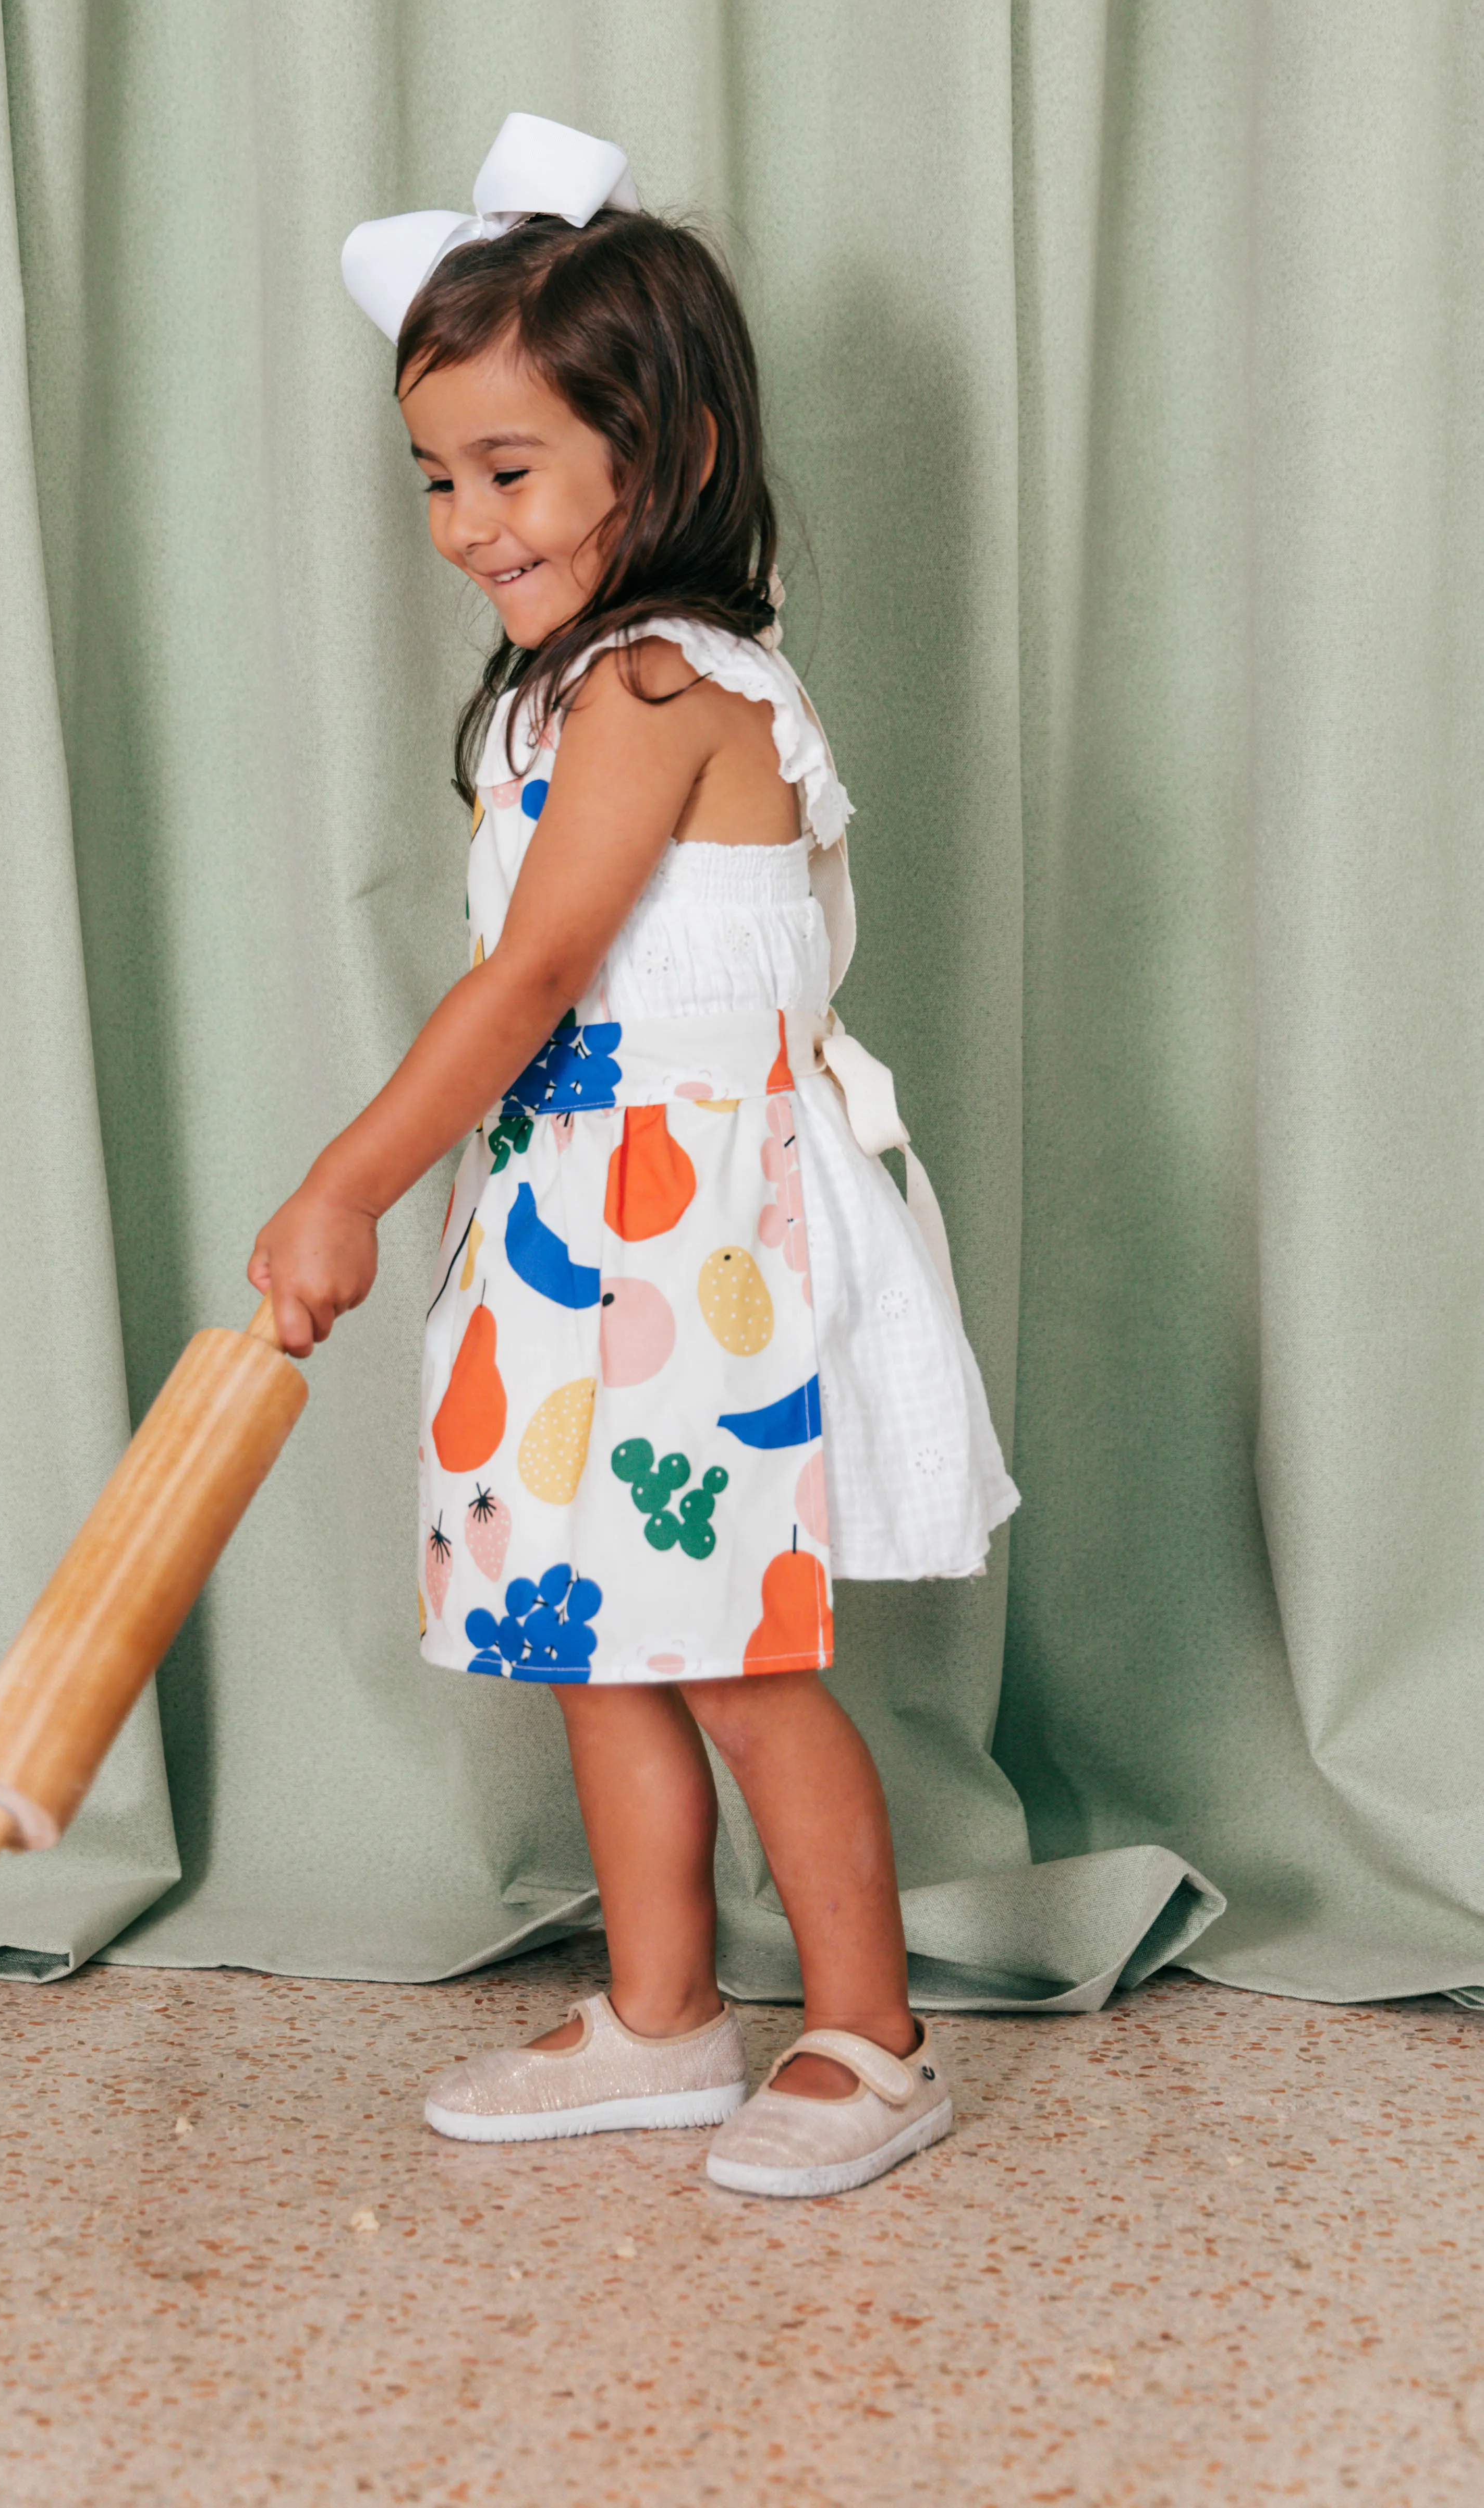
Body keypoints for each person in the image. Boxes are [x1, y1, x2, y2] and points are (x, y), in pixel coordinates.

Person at [249, 114, 1018, 2199]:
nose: (463, 520)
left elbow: (528, 982)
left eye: (506, 471)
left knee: (743, 1656)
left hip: (703, 1232)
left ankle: (867, 2035)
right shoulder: (566, 690)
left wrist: (344, 1178)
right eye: (436, 476)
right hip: (575, 1214)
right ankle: (663, 2017)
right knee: (594, 1626)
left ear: (658, 453)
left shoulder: (669, 685)